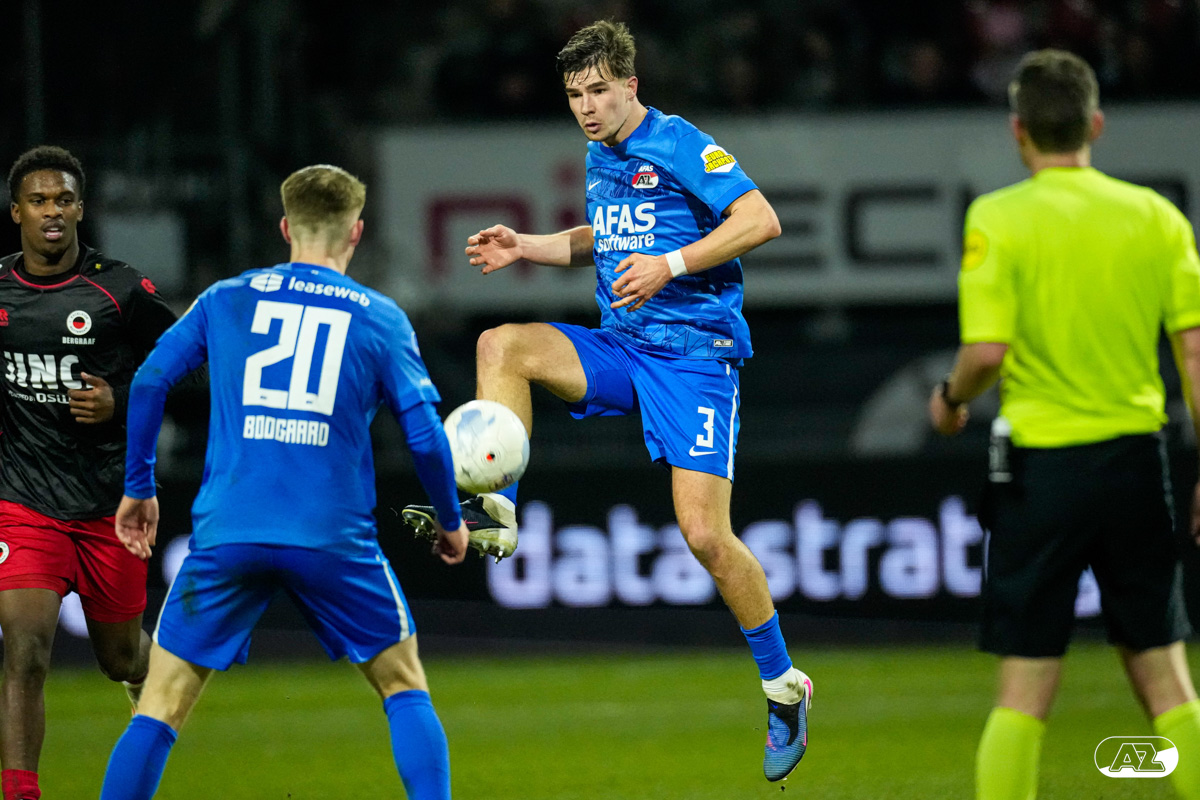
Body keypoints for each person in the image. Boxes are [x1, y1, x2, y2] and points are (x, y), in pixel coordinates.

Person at [402, 20, 812, 782]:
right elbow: (610, 235)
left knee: (705, 536)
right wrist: (527, 246)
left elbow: (760, 219)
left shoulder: (680, 142)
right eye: (574, 95)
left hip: (694, 361)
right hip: (623, 346)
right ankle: (496, 509)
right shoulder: (602, 155)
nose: (586, 108)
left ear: (631, 84)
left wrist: (672, 265)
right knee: (501, 346)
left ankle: (784, 686)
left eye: (598, 91)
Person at [97, 164, 470, 800]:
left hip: (230, 531)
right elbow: (426, 435)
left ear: (285, 227)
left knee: (159, 704)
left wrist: (140, 485)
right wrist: (450, 518)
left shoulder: (225, 299)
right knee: (404, 685)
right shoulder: (379, 318)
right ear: (356, 232)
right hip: (331, 536)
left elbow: (152, 380)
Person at [929, 49, 1200, 800]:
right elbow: (1194, 352)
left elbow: (987, 351)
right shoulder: (1156, 217)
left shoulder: (999, 217)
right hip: (1135, 463)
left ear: (1018, 130)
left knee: (1023, 691)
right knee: (1166, 678)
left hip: (1042, 470)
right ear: (1096, 125)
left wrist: (949, 398)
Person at [0, 145, 187, 800]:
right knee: (25, 650)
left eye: (64, 200)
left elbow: (190, 371)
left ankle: (148, 675)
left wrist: (121, 399)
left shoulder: (121, 290)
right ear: (17, 211)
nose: (52, 211)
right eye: (39, 201)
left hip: (109, 505)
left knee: (120, 658)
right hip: (22, 502)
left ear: (80, 209)